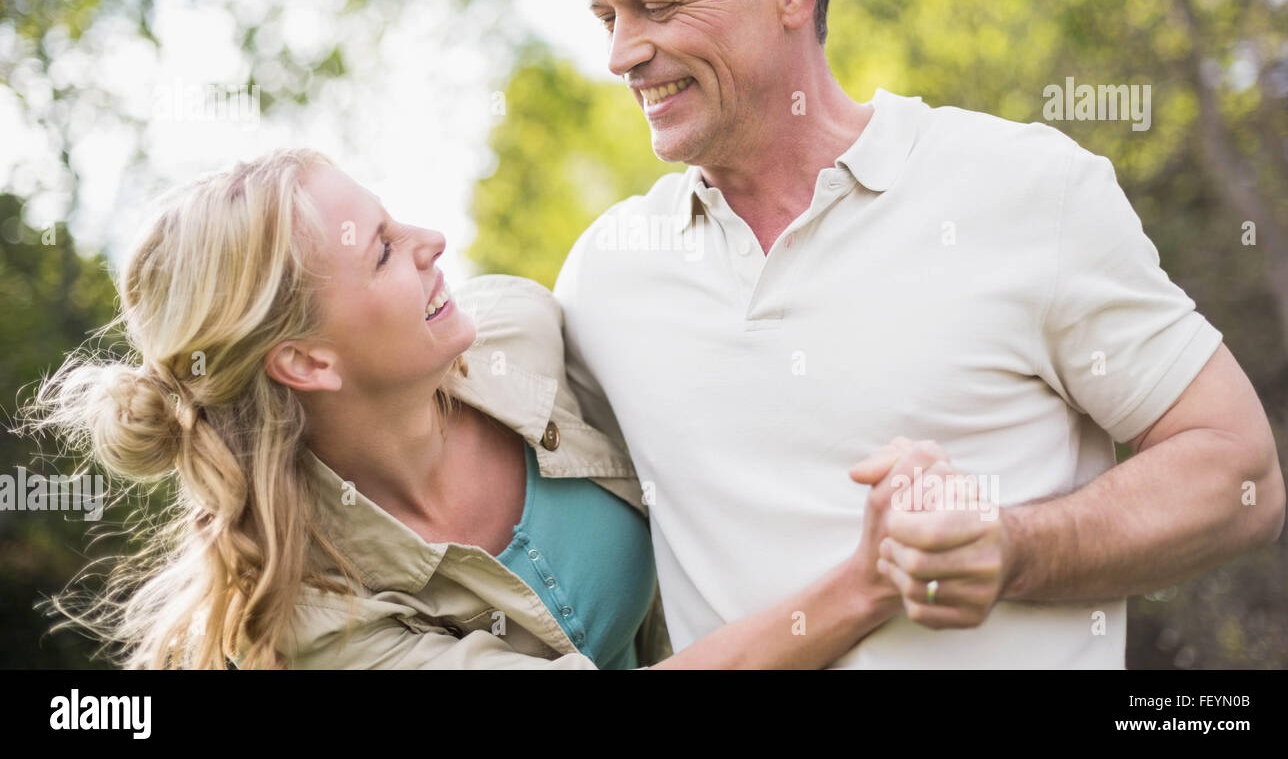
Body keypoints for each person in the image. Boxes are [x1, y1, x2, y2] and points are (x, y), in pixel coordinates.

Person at [554, 0, 1286, 667]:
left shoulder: (1024, 190)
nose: (621, 53)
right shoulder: (601, 282)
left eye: (656, 4)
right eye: (607, 15)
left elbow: (1240, 475)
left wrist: (1014, 548)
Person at [24, 147, 949, 669]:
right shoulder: (315, 621)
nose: (433, 244)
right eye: (383, 251)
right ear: (304, 359)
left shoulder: (518, 330)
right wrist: (866, 581)